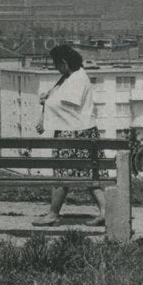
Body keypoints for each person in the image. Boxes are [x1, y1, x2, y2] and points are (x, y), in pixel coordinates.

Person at [32, 44, 106, 227]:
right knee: (91, 176)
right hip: (83, 132)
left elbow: (67, 104)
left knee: (61, 176)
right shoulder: (71, 76)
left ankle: (52, 214)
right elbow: (56, 97)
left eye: (56, 64)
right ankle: (105, 211)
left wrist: (47, 102)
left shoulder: (77, 80)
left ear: (64, 62)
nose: (55, 67)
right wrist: (48, 99)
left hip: (73, 134)